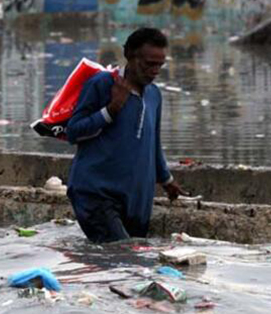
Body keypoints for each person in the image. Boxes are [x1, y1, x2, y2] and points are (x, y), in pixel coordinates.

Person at [66, 27, 186, 244]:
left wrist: (166, 179)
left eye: (160, 65)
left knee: (131, 268)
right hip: (97, 194)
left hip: (137, 201)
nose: (155, 71)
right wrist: (111, 110)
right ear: (130, 56)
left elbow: (153, 143)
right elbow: (74, 131)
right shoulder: (102, 84)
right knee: (121, 255)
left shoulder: (154, 95)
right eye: (149, 64)